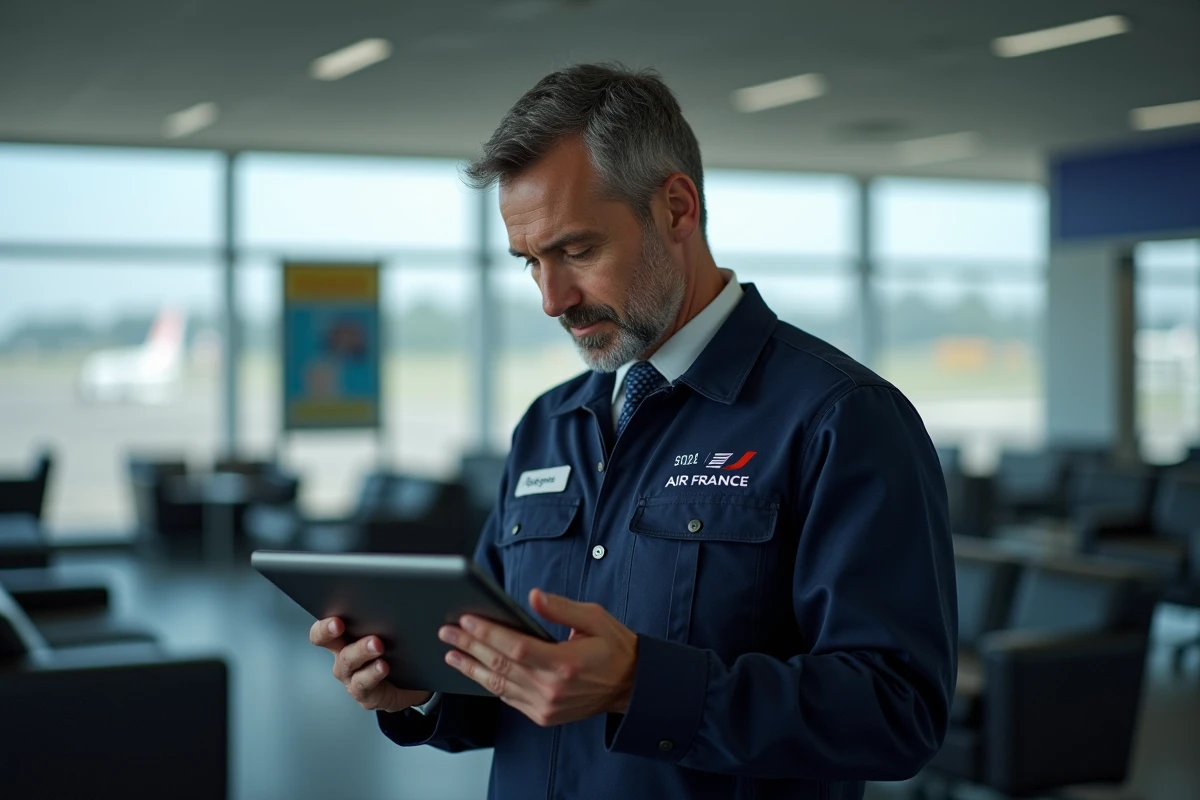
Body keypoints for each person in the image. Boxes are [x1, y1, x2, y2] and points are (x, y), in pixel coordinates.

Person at [310, 63, 957, 800]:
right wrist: (419, 688)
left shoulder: (840, 417)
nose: (552, 299)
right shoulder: (549, 425)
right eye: (530, 263)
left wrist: (642, 684)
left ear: (676, 208)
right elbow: (508, 670)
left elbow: (897, 710)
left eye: (578, 252)